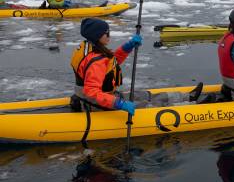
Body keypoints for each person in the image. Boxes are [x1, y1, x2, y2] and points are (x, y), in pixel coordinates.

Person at [71, 18, 202, 114]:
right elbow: (92, 92)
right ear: (97, 36)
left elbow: (111, 64)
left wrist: (128, 47)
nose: (109, 36)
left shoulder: (90, 48)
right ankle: (192, 107)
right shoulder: (95, 61)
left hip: (107, 95)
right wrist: (118, 103)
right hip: (96, 103)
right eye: (107, 33)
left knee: (145, 95)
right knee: (147, 105)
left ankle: (187, 97)